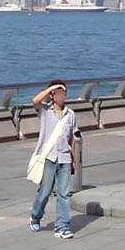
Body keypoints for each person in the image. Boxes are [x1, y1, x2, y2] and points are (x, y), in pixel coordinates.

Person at [28, 80, 79, 239]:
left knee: (64, 193)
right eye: (58, 93)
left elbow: (73, 137)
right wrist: (51, 88)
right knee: (45, 191)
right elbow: (35, 101)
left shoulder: (70, 114)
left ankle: (62, 226)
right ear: (52, 95)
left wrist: (74, 159)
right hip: (49, 157)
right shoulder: (45, 111)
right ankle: (35, 215)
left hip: (64, 157)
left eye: (63, 93)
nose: (61, 96)